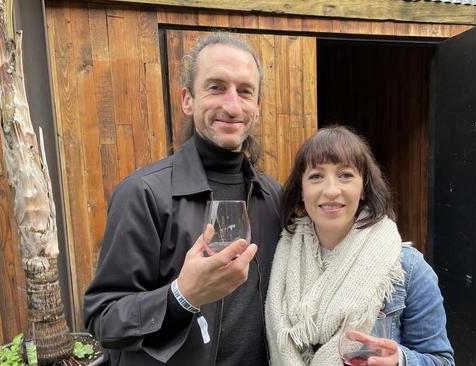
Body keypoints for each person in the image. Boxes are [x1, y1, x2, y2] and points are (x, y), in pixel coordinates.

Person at [83, 32, 282, 365]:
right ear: (188, 99)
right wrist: (181, 297)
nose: (232, 105)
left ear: (257, 107)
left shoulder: (272, 195)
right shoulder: (143, 194)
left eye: (244, 91)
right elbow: (104, 319)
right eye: (216, 87)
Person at [265, 126, 454, 366]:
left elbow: (442, 361)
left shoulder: (408, 268)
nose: (331, 190)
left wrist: (401, 361)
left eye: (345, 175)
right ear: (302, 191)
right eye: (316, 176)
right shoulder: (279, 260)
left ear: (363, 188)